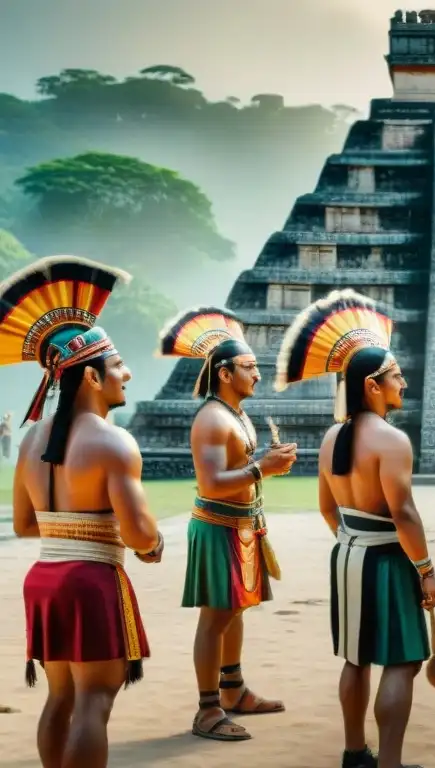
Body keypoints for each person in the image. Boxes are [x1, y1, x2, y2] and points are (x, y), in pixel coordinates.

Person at [1, 256, 164, 768]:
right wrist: (151, 545)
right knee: (95, 702)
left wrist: (70, 528)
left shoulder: (31, 439)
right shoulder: (114, 443)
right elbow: (140, 533)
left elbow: (26, 524)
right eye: (117, 367)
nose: (127, 374)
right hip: (91, 581)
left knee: (60, 698)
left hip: (45, 578)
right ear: (91, 376)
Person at [275, 288, 435, 768]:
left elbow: (328, 509)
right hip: (387, 558)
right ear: (372, 385)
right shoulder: (391, 440)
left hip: (348, 555)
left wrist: (353, 543)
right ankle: (389, 761)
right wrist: (425, 569)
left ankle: (354, 753)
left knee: (355, 658)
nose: (403, 382)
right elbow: (404, 512)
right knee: (403, 661)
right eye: (395, 376)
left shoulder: (332, 437)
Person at [158, 306, 297, 742]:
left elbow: (241, 466)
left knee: (235, 611)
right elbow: (213, 482)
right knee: (215, 617)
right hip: (218, 527)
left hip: (241, 527)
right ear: (224, 372)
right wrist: (263, 470)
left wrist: (264, 464)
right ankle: (207, 709)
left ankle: (233, 689)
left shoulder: (235, 413)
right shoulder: (212, 419)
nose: (257, 374)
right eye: (249, 367)